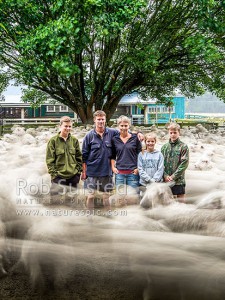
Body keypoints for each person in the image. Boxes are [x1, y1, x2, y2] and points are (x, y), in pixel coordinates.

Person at [82, 110, 118, 209]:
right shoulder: (89, 136)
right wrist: (84, 172)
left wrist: (139, 133)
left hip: (107, 171)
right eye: (98, 119)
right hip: (92, 172)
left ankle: (108, 217)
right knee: (90, 196)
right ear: (94, 120)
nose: (100, 121)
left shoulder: (112, 133)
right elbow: (84, 156)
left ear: (105, 120)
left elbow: (126, 133)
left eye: (102, 119)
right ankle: (90, 217)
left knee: (106, 197)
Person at [46, 116, 82, 194]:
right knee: (55, 201)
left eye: (70, 126)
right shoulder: (53, 141)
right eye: (66, 126)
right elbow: (49, 160)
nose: (68, 128)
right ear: (60, 126)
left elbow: (79, 158)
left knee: (72, 201)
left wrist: (78, 173)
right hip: (58, 177)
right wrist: (54, 175)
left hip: (73, 176)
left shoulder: (74, 140)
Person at [111, 115, 142, 192]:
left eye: (126, 125)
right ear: (118, 126)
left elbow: (140, 154)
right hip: (119, 174)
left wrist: (138, 168)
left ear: (129, 126)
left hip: (133, 174)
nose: (124, 128)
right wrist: (113, 168)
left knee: (134, 197)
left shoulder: (135, 138)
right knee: (120, 198)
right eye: (121, 125)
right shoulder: (115, 139)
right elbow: (112, 155)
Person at [161, 122, 189, 202]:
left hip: (178, 180)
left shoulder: (183, 147)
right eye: (171, 133)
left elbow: (184, 163)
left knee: (181, 202)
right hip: (166, 179)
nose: (173, 134)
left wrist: (173, 176)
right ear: (168, 133)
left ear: (179, 132)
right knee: (167, 201)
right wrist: (165, 175)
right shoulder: (164, 147)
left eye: (175, 132)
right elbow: (160, 163)